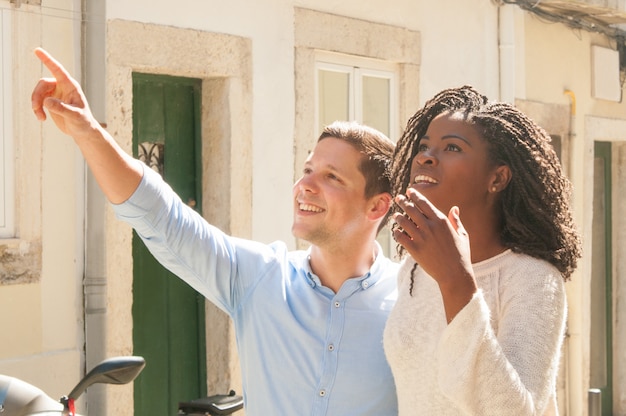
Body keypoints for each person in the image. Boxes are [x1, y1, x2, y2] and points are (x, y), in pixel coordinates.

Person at [31, 47, 399, 415]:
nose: (305, 185)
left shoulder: (412, 304)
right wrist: (88, 132)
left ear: (378, 206)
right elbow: (160, 216)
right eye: (307, 170)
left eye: (331, 176)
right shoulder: (260, 277)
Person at [383, 85, 582, 415]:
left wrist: (456, 284)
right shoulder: (414, 268)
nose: (425, 157)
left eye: (452, 147)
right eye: (424, 146)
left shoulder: (533, 279)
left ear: (497, 178)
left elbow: (516, 411)